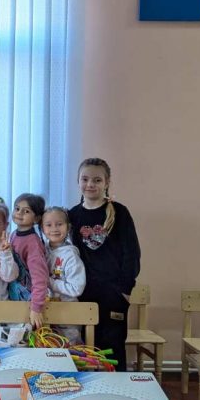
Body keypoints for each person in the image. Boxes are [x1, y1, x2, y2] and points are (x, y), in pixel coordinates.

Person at [68, 158, 140, 371]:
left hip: (112, 295)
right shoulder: (72, 215)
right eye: (85, 179)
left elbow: (132, 254)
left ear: (107, 182)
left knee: (112, 347)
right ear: (78, 181)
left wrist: (125, 290)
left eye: (97, 180)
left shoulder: (120, 213)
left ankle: (115, 396)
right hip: (81, 294)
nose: (90, 184)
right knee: (84, 351)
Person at [41, 205, 86, 343]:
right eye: (49, 225)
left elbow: (76, 288)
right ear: (42, 228)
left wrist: (50, 282)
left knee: (69, 352)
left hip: (67, 316)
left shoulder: (70, 255)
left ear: (68, 227)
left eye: (59, 224)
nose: (54, 228)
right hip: (47, 313)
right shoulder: (42, 250)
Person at [9, 193, 49, 329]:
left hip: (29, 298)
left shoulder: (33, 243)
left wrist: (36, 308)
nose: (19, 213)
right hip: (16, 293)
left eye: (26, 211)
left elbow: (40, 278)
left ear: (37, 218)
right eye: (17, 208)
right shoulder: (14, 234)